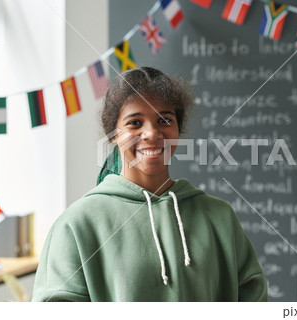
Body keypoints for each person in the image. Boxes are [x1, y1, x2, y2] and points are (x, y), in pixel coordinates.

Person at [31, 67, 268, 302]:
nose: (152, 133)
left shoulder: (219, 217)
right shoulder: (76, 224)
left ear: (178, 129)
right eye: (135, 122)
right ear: (113, 134)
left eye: (164, 120)